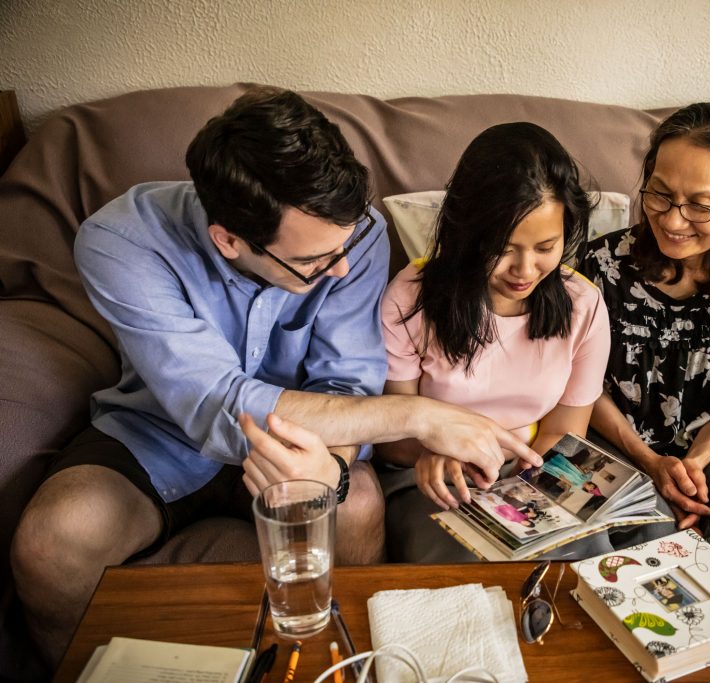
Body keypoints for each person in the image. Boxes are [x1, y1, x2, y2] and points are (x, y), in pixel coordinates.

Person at [10, 87, 538, 669]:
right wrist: (420, 414)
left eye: (344, 247)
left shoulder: (354, 235)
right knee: (50, 541)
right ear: (229, 239)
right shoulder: (122, 240)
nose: (341, 269)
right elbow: (216, 403)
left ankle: (349, 667)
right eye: (313, 264)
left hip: (307, 437)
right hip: (158, 432)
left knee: (357, 503)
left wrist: (331, 465)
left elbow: (347, 385)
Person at [374, 122, 612, 562]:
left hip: (532, 470)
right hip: (430, 472)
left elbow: (564, 432)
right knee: (459, 566)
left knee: (589, 558)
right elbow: (392, 434)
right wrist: (431, 450)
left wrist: (523, 494)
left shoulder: (583, 306)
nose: (524, 269)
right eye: (503, 248)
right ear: (468, 232)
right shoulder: (410, 298)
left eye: (545, 246)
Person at [579, 103, 710, 562]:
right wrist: (651, 462)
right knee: (646, 531)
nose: (673, 221)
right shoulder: (601, 266)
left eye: (700, 205)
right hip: (613, 438)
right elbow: (583, 387)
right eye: (659, 194)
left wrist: (694, 461)